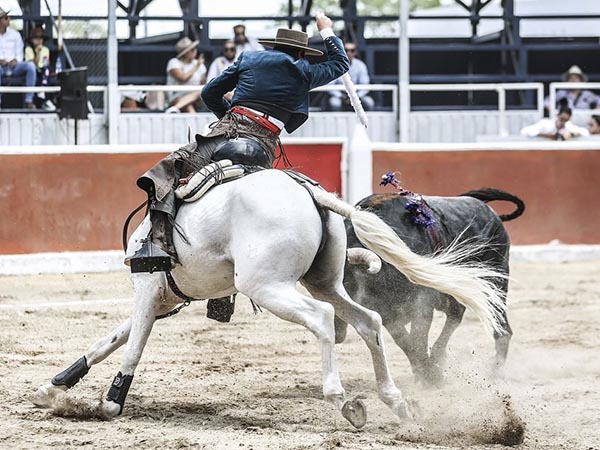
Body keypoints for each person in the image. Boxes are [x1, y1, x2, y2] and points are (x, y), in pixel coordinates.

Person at [126, 13, 350, 273]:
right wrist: (326, 30)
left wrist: (228, 117)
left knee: (166, 171)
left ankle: (158, 246)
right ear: (301, 53)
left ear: (275, 47)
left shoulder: (250, 58)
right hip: (265, 147)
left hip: (231, 132)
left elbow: (209, 92)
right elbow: (341, 62)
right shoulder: (306, 71)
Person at [0, 7, 37, 109]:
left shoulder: (15, 34)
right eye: (6, 18)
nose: (9, 19)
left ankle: (29, 100)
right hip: (0, 67)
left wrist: (16, 60)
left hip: (14, 66)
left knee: (30, 66)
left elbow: (20, 53)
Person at [327, 42, 374, 112]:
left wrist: (355, 96)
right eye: (346, 50)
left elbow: (365, 85)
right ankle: (339, 122)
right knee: (335, 103)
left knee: (369, 102)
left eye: (352, 50)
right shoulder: (335, 65)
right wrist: (341, 96)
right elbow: (330, 86)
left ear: (355, 52)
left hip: (357, 95)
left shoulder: (360, 65)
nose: (349, 53)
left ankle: (366, 122)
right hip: (340, 95)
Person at [164, 36, 207, 113]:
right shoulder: (174, 62)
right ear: (185, 53)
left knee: (201, 91)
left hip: (197, 97)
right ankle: (175, 107)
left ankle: (174, 109)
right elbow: (182, 78)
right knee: (189, 107)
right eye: (192, 50)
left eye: (195, 49)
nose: (195, 51)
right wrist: (196, 67)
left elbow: (203, 83)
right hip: (177, 95)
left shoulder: (200, 65)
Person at [520, 106, 589, 140]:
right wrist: (546, 135)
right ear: (557, 115)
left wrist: (571, 134)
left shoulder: (568, 126)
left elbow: (585, 132)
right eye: (562, 119)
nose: (563, 122)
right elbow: (524, 131)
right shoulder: (545, 124)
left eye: (566, 120)